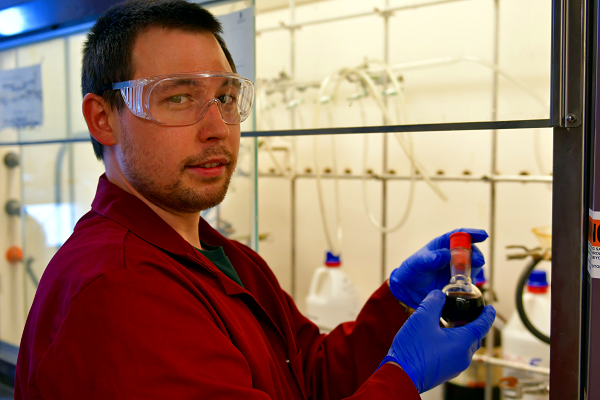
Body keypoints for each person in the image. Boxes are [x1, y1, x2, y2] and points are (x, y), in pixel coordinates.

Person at [14, 1, 495, 399]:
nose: (217, 128)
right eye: (178, 98)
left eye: (225, 98)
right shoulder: (120, 287)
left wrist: (397, 306)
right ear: (103, 119)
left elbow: (308, 377)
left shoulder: (223, 256)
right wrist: (402, 378)